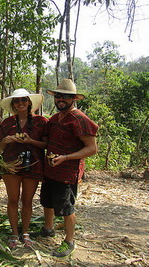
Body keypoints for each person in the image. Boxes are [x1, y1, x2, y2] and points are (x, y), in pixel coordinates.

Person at [38, 79, 98, 257]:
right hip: (50, 169)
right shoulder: (55, 119)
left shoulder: (80, 119)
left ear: (73, 99)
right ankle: (48, 229)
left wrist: (66, 157)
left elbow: (92, 148)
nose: (60, 99)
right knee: (47, 202)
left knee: (66, 207)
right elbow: (46, 140)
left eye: (65, 96)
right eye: (58, 96)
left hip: (67, 172)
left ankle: (69, 241)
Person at [0, 88, 48, 249]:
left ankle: (25, 233)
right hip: (11, 165)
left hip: (34, 164)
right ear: (13, 104)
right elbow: (0, 148)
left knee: (27, 201)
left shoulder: (41, 122)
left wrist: (30, 141)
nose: (21, 103)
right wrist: (6, 140)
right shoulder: (7, 123)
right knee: (12, 200)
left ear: (29, 102)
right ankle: (14, 233)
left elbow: (45, 144)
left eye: (24, 100)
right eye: (17, 101)